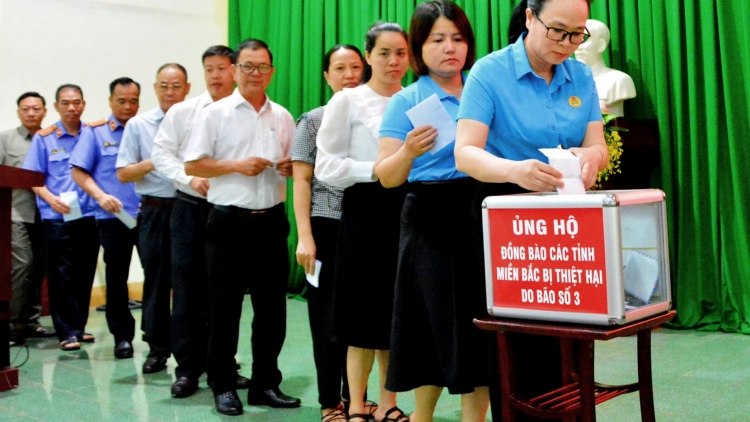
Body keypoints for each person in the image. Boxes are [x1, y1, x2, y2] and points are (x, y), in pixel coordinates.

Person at [453, 0, 607, 420]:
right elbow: (465, 153)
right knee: (519, 341)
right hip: (506, 218)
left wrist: (592, 158)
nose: (567, 44)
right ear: (528, 17)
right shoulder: (490, 71)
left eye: (577, 35)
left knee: (572, 336)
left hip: (567, 217)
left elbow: (598, 145)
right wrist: (516, 171)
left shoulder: (580, 75)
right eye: (557, 31)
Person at [374, 2, 489, 421]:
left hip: (479, 212)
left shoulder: (483, 89)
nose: (450, 48)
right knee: (432, 329)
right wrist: (408, 150)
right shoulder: (406, 99)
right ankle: (422, 418)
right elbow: (386, 176)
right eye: (437, 39)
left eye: (458, 39)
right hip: (429, 217)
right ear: (419, 47)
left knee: (479, 332)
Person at [184, 38, 299, 416]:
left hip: (270, 223)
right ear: (234, 70)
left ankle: (266, 383)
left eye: (262, 67)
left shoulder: (282, 115)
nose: (255, 73)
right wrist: (236, 165)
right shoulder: (214, 114)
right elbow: (193, 165)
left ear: (272, 72)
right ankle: (223, 384)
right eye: (247, 66)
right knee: (224, 308)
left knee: (272, 309)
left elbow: (292, 164)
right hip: (227, 223)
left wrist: (287, 167)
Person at [315, 22, 410, 422]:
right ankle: (355, 406)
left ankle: (388, 405)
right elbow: (326, 166)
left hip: (405, 212)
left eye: (401, 53)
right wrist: (378, 168)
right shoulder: (349, 101)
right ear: (368, 56)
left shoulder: (414, 98)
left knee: (393, 319)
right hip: (362, 212)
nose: (393, 61)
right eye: (384, 53)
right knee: (359, 323)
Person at [151, 45, 252, 398]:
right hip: (192, 208)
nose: (215, 76)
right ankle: (188, 368)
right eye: (209, 69)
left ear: (236, 70)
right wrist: (188, 178)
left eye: (222, 68)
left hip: (231, 213)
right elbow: (160, 154)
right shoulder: (183, 112)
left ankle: (224, 365)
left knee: (226, 293)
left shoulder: (246, 112)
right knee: (189, 290)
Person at [292, 44, 364, 422]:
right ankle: (328, 402)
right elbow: (301, 182)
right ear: (326, 75)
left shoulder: (376, 116)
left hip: (366, 228)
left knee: (363, 319)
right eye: (340, 67)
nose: (349, 74)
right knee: (327, 320)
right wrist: (305, 237)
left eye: (356, 66)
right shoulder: (312, 120)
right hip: (326, 227)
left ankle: (359, 400)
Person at [116, 64, 188, 375]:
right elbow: (123, 173)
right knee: (156, 282)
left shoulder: (198, 120)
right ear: (155, 88)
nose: (170, 92)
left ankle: (191, 353)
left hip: (190, 209)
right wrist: (155, 161)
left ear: (186, 88)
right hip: (155, 211)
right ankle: (157, 349)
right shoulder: (139, 125)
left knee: (190, 283)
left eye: (176, 86)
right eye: (164, 86)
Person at [21, 84, 100, 352]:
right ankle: (66, 332)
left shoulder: (91, 134)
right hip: (57, 214)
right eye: (65, 103)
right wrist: (50, 199)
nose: (72, 108)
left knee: (84, 271)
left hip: (88, 213)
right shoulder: (45, 138)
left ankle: (79, 327)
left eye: (76, 102)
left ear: (84, 104)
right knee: (62, 274)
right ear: (56, 106)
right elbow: (33, 178)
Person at [70, 78, 142, 359]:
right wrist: (100, 196)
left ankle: (156, 336)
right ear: (111, 101)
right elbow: (79, 172)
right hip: (114, 217)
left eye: (133, 100)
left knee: (159, 275)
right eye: (121, 100)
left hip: (148, 214)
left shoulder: (145, 128)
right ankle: (122, 337)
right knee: (117, 278)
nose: (127, 106)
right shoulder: (96, 132)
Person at [1, 92, 57, 345]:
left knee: (39, 268)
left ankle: (31, 322)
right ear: (18, 112)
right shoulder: (6, 139)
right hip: (16, 213)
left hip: (46, 214)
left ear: (45, 111)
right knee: (22, 265)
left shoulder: (50, 138)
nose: (31, 113)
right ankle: (12, 324)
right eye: (26, 109)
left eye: (36, 109)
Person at [574, 19, 636, 117]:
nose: (577, 47)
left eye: (583, 39)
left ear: (601, 45)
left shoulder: (619, 80)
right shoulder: (568, 81)